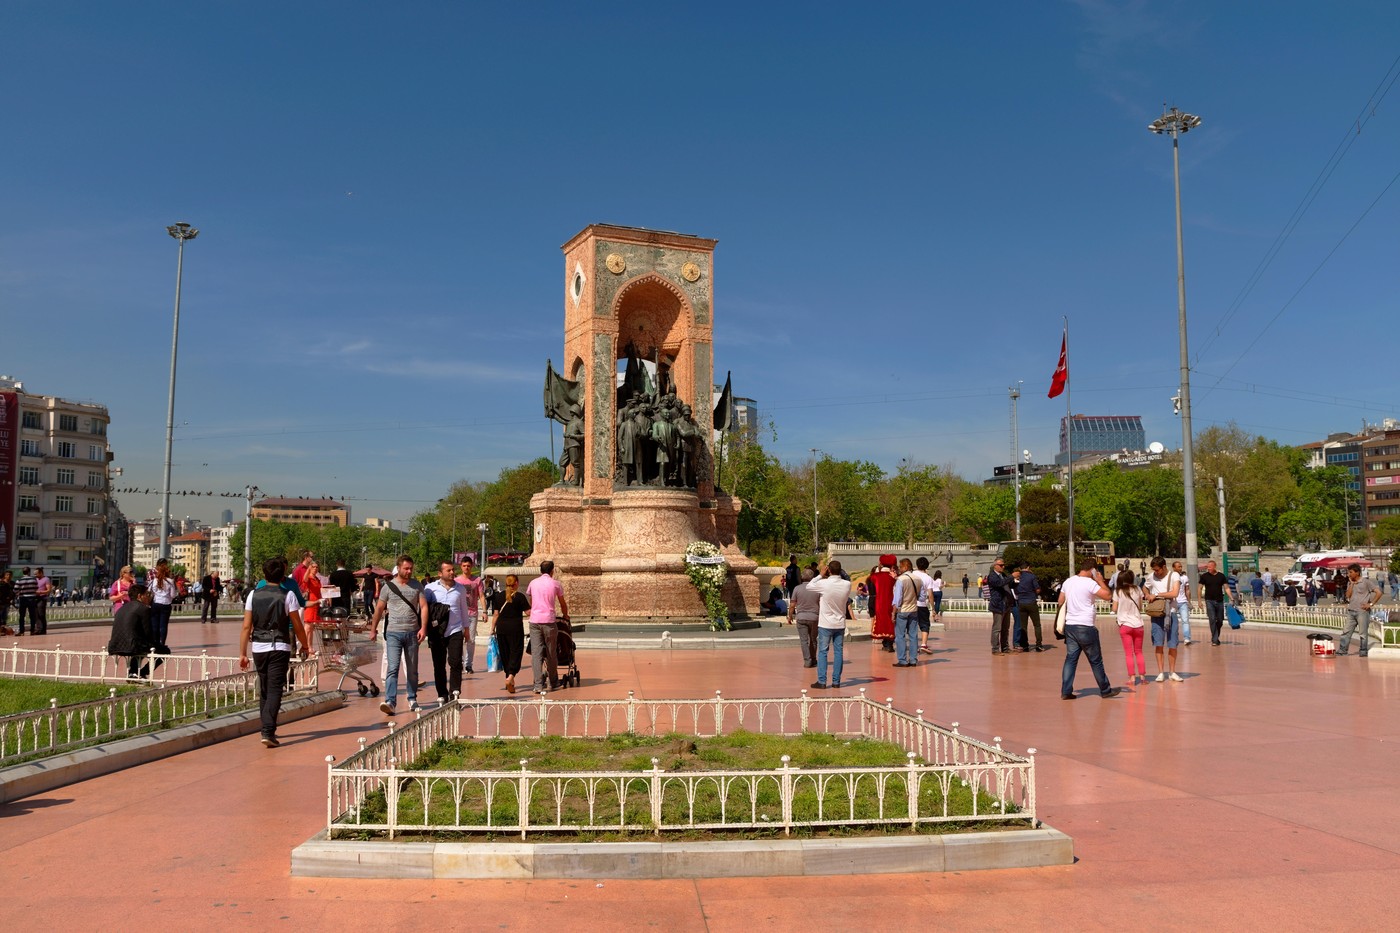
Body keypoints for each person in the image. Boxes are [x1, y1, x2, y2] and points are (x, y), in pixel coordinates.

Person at [238, 558, 311, 748]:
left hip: (258, 648)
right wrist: (305, 645)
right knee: (275, 688)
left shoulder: (253, 594)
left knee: (264, 688)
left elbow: (247, 627)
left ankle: (266, 728)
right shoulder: (288, 596)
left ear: (264, 574)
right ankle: (268, 731)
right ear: (282, 575)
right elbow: (297, 625)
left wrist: (242, 653)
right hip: (279, 646)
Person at [368, 554, 428, 716]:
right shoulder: (388, 587)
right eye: (406, 568)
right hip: (393, 633)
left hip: (412, 633)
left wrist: (423, 628)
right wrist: (373, 629)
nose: (409, 571)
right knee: (392, 668)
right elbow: (379, 609)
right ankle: (390, 701)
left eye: (411, 568)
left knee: (412, 668)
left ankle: (412, 698)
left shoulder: (417, 586)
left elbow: (423, 607)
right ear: (399, 568)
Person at [1058, 556, 1121, 699]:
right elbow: (1107, 596)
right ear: (1093, 570)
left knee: (1071, 659)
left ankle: (1066, 691)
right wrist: (1100, 581)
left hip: (1070, 625)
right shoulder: (1089, 583)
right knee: (1095, 660)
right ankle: (1105, 690)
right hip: (1085, 626)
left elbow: (1060, 601)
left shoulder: (1069, 581)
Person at [424, 561, 469, 704]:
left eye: (452, 570)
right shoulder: (430, 589)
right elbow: (426, 610)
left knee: (455, 662)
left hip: (455, 629)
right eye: (448, 570)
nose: (452, 573)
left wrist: (466, 629)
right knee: (439, 664)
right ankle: (442, 693)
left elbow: (463, 610)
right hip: (437, 632)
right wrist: (424, 629)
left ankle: (454, 693)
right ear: (440, 573)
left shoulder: (460, 589)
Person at [525, 560, 570, 693]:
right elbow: (562, 603)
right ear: (552, 571)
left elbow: (531, 599)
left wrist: (534, 609)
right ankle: (553, 681)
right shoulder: (555, 584)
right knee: (551, 652)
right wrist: (565, 615)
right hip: (549, 621)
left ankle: (538, 685)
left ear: (540, 571)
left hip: (534, 621)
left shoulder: (533, 583)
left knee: (536, 654)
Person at [808, 560, 853, 689]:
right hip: (839, 623)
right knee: (838, 652)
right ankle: (836, 681)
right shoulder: (847, 584)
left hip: (825, 623)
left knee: (823, 652)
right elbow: (845, 578)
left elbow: (809, 586)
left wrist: (820, 575)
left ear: (828, 570)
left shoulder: (823, 583)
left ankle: (822, 681)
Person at [488, 573, 530, 693]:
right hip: (515, 629)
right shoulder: (520, 597)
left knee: (505, 653)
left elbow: (496, 614)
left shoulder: (499, 596)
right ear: (516, 583)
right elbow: (528, 612)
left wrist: (492, 629)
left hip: (501, 628)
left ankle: (508, 678)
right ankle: (511, 676)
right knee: (516, 652)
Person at [1143, 557, 1183, 682]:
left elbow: (1174, 593)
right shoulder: (1151, 576)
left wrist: (1157, 594)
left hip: (1171, 613)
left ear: (1164, 567)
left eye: (1158, 570)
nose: (1156, 572)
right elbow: (1145, 587)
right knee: (1158, 643)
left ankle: (1172, 672)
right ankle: (1161, 672)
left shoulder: (1174, 575)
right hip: (1157, 613)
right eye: (1154, 570)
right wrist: (1147, 594)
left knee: (1172, 644)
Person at [107, 583, 156, 680]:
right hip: (131, 645)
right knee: (163, 651)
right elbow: (147, 632)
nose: (148, 597)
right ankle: (140, 673)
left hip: (115, 644)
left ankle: (134, 672)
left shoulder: (122, 608)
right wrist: (154, 644)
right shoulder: (143, 609)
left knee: (139, 645)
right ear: (139, 596)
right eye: (146, 594)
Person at [1338, 562, 1382, 658]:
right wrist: (1352, 584)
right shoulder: (1350, 582)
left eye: (1351, 572)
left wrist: (1370, 604)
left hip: (1362, 611)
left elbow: (1378, 592)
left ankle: (1363, 651)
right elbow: (1347, 595)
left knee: (1362, 633)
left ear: (1357, 572)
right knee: (1346, 631)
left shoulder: (1366, 582)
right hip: (1351, 610)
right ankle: (1342, 650)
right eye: (1348, 572)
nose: (1349, 574)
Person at [1111, 570, 1146, 685]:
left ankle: (1132, 677)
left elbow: (1114, 609)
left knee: (1128, 653)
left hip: (1125, 625)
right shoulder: (1138, 589)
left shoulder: (1118, 591)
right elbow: (1140, 607)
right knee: (1139, 652)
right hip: (1138, 624)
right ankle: (1142, 677)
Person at [454, 557, 485, 674]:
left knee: (471, 640)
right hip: (459, 614)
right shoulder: (456, 581)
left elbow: (481, 596)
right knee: (458, 639)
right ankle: (460, 663)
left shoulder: (477, 580)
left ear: (471, 566)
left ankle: (469, 664)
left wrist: (485, 611)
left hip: (472, 614)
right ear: (461, 566)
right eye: (464, 565)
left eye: (468, 566)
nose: (466, 568)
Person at [787, 568, 821, 669]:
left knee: (804, 640)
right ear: (813, 578)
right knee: (813, 639)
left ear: (802, 577)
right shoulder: (817, 589)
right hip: (814, 617)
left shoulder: (797, 588)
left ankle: (807, 661)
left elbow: (792, 604)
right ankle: (814, 659)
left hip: (801, 617)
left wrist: (790, 616)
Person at [891, 558, 920, 667]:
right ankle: (913, 659)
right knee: (913, 635)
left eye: (901, 566)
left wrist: (894, 612)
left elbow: (897, 599)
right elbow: (921, 597)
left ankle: (902, 660)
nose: (899, 568)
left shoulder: (901, 580)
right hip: (914, 609)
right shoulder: (918, 579)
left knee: (900, 635)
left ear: (905, 567)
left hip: (903, 610)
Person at [986, 557, 1015, 656]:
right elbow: (999, 584)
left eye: (1003, 565)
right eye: (1001, 565)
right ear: (995, 566)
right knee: (997, 628)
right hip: (998, 605)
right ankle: (995, 649)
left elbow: (1009, 585)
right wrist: (1011, 576)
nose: (1003, 567)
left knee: (1005, 628)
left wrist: (1014, 580)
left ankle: (1005, 647)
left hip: (1006, 605)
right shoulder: (992, 576)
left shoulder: (1003, 575)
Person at [868, 555, 897, 652]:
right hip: (891, 602)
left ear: (881, 563)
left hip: (879, 603)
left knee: (882, 621)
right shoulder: (894, 577)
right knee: (890, 622)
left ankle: (885, 643)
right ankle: (889, 643)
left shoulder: (875, 577)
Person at [1197, 560, 1228, 646]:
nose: (1208, 569)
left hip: (1220, 601)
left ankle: (1215, 635)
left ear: (1214, 566)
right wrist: (1199, 601)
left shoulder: (1221, 576)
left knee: (1220, 620)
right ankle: (1215, 639)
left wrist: (1231, 597)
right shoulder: (1204, 576)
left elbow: (1226, 588)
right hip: (1209, 600)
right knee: (1212, 619)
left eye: (1210, 567)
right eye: (1207, 567)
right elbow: (1199, 588)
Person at [148, 558, 177, 648]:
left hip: (156, 603)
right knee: (163, 625)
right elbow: (173, 595)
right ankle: (162, 643)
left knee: (154, 624)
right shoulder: (170, 581)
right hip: (166, 604)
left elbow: (150, 591)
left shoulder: (155, 580)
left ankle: (154, 642)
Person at [1015, 562, 1044, 652]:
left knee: (1023, 626)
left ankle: (1025, 645)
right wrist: (1034, 593)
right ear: (1028, 567)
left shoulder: (1017, 577)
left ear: (1020, 568)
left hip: (1021, 603)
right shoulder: (1032, 576)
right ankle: (1038, 645)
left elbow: (1015, 590)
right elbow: (1037, 589)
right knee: (1037, 625)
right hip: (1031, 602)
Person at [912, 557, 936, 655]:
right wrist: (933, 608)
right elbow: (930, 594)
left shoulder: (912, 574)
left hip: (910, 604)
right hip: (921, 605)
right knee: (925, 625)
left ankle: (913, 646)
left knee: (911, 626)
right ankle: (923, 644)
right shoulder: (928, 578)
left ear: (917, 565)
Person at [1170, 560, 1192, 645]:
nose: (1180, 568)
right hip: (1173, 601)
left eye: (1181, 566)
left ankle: (1187, 638)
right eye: (1178, 566)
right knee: (1173, 621)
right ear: (1174, 568)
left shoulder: (1184, 578)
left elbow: (1187, 590)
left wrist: (1189, 601)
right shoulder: (1170, 577)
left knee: (1185, 620)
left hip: (1183, 601)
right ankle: (1174, 637)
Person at [13, 567, 37, 635]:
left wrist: (20, 592)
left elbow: (15, 590)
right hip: (32, 598)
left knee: (22, 616)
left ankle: (21, 631)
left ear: (22, 572)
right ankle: (32, 630)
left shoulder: (19, 580)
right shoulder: (33, 580)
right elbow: (36, 588)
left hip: (23, 598)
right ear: (29, 572)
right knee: (32, 615)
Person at [301, 559, 323, 624]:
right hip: (310, 605)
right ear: (310, 568)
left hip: (317, 605)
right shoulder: (309, 578)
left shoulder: (317, 579)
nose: (315, 568)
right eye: (313, 567)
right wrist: (308, 569)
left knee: (313, 628)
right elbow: (304, 579)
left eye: (317, 567)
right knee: (308, 626)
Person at [32, 567, 52, 635]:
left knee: (41, 614)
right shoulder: (35, 579)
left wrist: (39, 592)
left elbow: (48, 590)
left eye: (36, 574)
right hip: (35, 598)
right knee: (36, 614)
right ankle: (38, 628)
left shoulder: (46, 579)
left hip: (42, 598)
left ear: (41, 573)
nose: (35, 575)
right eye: (34, 574)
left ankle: (43, 629)